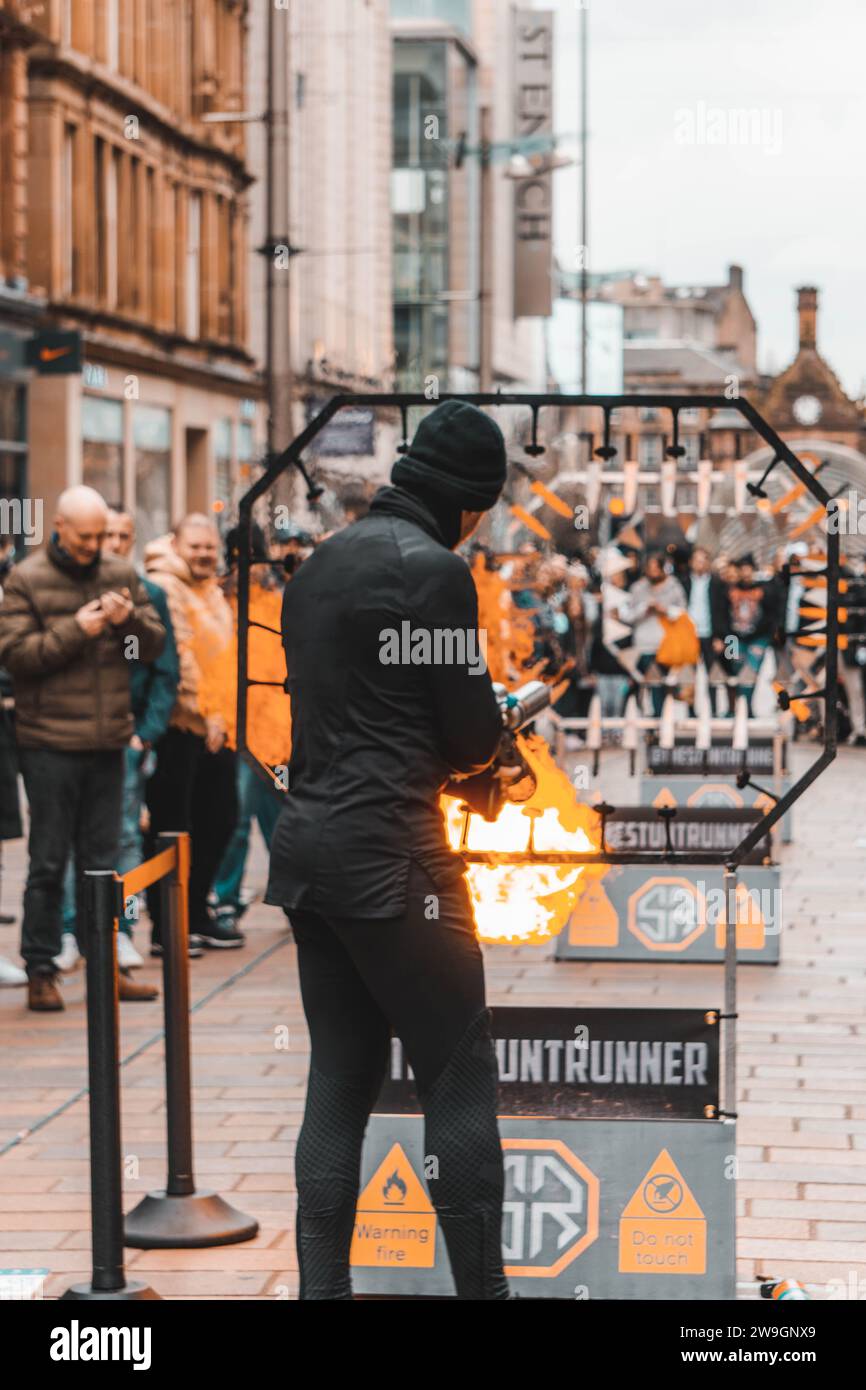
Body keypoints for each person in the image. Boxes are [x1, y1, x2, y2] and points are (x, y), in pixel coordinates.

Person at [267, 400, 512, 1300]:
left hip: (310, 856)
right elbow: (470, 741)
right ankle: (488, 1296)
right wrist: (494, 738)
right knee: (458, 1075)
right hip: (399, 862)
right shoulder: (436, 573)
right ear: (467, 501)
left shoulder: (318, 566)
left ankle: (322, 1294)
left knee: (338, 1079)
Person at [0, 486, 165, 1011]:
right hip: (48, 742)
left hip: (107, 739)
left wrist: (127, 623)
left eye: (101, 536)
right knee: (48, 861)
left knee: (106, 862)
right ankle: (42, 969)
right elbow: (16, 656)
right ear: (61, 528)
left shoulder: (119, 572)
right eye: (86, 536)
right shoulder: (26, 578)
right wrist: (79, 628)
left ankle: (107, 965)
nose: (95, 545)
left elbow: (153, 645)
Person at [54, 508, 182, 973]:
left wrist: (143, 734)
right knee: (68, 838)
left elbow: (165, 668)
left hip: (123, 738)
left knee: (125, 837)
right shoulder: (62, 587)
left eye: (122, 536)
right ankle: (71, 930)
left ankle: (120, 931)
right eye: (104, 535)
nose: (111, 543)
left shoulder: (149, 593)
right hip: (68, 733)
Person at [143, 514, 240, 950]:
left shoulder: (209, 588)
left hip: (217, 727)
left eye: (209, 547)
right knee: (172, 827)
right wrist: (207, 713)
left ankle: (197, 913)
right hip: (180, 728)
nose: (204, 554)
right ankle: (167, 926)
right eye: (195, 546)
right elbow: (180, 656)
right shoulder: (166, 585)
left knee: (219, 819)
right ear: (176, 544)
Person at [621, 551, 688, 715]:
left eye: (656, 568)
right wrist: (644, 609)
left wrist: (664, 610)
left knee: (664, 685)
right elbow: (627, 615)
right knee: (648, 685)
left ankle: (661, 720)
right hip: (644, 645)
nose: (653, 572)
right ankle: (651, 720)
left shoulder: (674, 587)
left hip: (666, 644)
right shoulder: (637, 588)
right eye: (650, 568)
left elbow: (683, 614)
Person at [682, 546, 733, 711]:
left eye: (703, 560)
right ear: (691, 563)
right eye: (697, 560)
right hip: (689, 635)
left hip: (710, 634)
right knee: (689, 676)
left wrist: (721, 637)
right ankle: (690, 710)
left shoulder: (717, 584)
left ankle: (713, 709)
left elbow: (723, 612)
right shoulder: (683, 582)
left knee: (714, 674)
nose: (700, 564)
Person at [727, 554, 779, 713]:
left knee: (751, 670)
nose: (745, 573)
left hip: (758, 637)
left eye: (748, 569)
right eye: (742, 569)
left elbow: (771, 613)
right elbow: (722, 612)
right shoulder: (729, 589)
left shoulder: (764, 589)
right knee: (734, 669)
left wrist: (764, 632)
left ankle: (746, 706)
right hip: (733, 638)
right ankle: (735, 707)